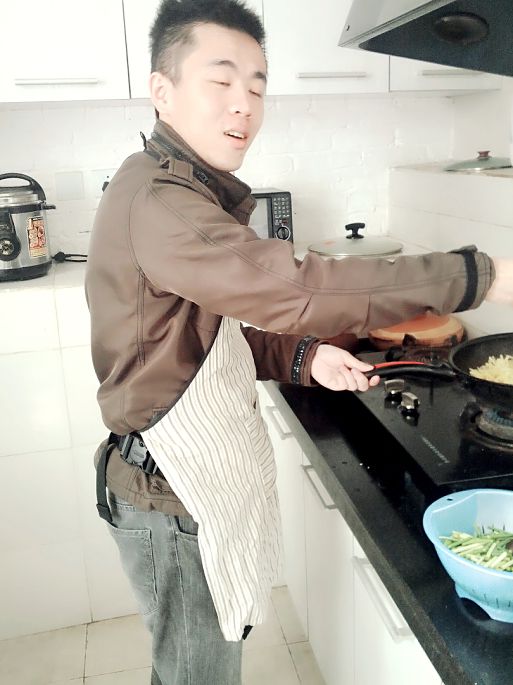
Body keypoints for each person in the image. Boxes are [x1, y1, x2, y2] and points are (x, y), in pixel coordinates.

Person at [85, 1, 513, 683]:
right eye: (220, 81)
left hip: (176, 484)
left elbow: (200, 342)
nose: (243, 105)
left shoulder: (179, 188)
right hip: (169, 493)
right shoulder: (161, 201)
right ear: (162, 90)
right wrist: (476, 275)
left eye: (256, 87)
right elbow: (300, 289)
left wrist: (305, 356)